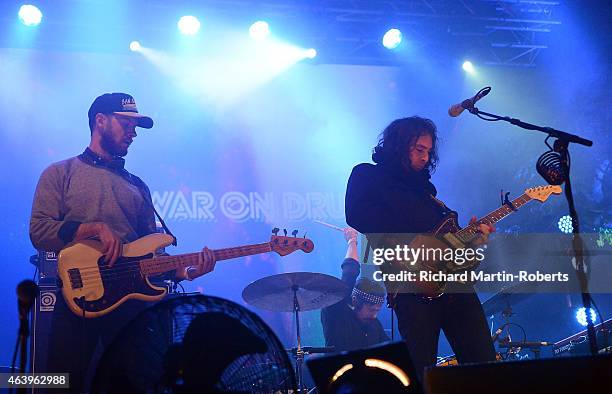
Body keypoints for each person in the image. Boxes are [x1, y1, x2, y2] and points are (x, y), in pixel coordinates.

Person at [29, 92, 216, 392]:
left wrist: (187, 272)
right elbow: (39, 230)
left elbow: (151, 254)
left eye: (136, 126)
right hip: (77, 297)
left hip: (130, 305)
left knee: (133, 385)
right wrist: (92, 229)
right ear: (100, 121)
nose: (133, 133)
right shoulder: (59, 173)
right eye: (126, 123)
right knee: (61, 385)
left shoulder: (137, 186)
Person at [344, 116, 496, 379]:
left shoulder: (427, 193)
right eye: (418, 150)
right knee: (421, 370)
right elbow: (356, 216)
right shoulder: (367, 175)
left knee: (483, 363)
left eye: (428, 151)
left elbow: (451, 247)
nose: (425, 158)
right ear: (398, 146)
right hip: (411, 287)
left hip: (455, 284)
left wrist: (473, 240)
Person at [321, 227, 389, 352]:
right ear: (355, 300)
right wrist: (352, 241)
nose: (374, 315)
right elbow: (350, 273)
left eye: (377, 310)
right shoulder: (336, 312)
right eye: (371, 309)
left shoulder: (375, 325)